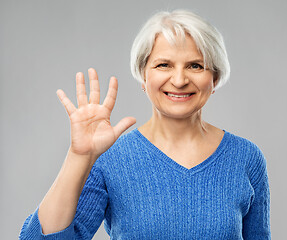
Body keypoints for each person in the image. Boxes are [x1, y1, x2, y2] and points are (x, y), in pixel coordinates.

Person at [19, 9, 270, 239]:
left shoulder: (246, 158)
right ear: (143, 75)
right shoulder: (111, 158)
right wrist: (79, 155)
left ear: (214, 78)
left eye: (195, 65)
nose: (180, 80)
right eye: (164, 65)